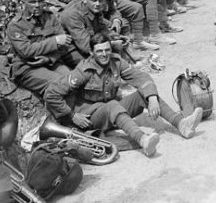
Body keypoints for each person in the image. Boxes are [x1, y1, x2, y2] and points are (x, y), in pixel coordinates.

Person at [44, 34, 203, 158]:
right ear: (92, 53)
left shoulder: (116, 62)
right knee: (113, 104)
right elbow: (51, 94)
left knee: (143, 94)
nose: (104, 54)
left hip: (111, 113)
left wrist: (152, 97)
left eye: (107, 50)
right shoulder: (82, 72)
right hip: (89, 118)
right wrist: (71, 115)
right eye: (99, 51)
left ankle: (182, 124)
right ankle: (143, 140)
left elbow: (141, 78)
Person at [6, 0, 79, 96]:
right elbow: (26, 51)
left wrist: (50, 59)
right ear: (23, 2)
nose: (37, 5)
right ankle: (61, 113)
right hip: (27, 68)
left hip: (50, 62)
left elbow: (65, 43)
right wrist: (54, 41)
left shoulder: (50, 17)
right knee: (62, 84)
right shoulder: (16, 25)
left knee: (74, 81)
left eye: (40, 1)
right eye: (32, 2)